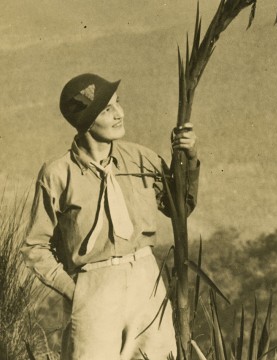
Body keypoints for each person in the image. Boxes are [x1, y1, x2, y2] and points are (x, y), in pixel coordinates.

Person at [20, 73, 199, 359]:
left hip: (147, 282)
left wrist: (189, 157)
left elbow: (181, 208)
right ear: (86, 121)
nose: (120, 114)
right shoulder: (57, 174)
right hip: (94, 288)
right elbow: (34, 247)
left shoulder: (141, 158)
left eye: (118, 104)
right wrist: (76, 291)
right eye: (107, 109)